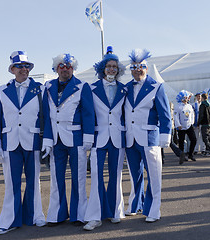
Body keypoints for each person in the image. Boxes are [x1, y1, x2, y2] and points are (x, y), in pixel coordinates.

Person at [0, 51, 53, 235]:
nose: (24, 69)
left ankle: (35, 215)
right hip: (10, 143)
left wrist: (47, 141)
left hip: (32, 141)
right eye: (19, 66)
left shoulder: (40, 89)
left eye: (27, 66)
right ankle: (9, 219)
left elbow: (47, 117)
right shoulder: (3, 90)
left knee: (34, 181)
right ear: (12, 69)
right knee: (11, 183)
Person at [45, 53, 95, 226]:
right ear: (56, 68)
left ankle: (79, 214)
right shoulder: (48, 86)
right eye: (62, 66)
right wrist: (46, 138)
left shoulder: (82, 86)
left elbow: (89, 114)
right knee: (55, 178)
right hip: (55, 139)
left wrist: (88, 137)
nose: (65, 69)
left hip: (76, 139)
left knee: (79, 177)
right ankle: (56, 214)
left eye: (68, 66)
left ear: (73, 68)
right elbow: (46, 115)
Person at [124, 49, 171, 223]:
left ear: (146, 68)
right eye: (134, 67)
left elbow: (165, 114)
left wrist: (165, 135)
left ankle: (153, 209)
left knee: (153, 175)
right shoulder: (126, 88)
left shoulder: (156, 86)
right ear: (131, 69)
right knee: (134, 174)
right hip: (130, 138)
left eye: (141, 67)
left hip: (149, 137)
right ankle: (135, 204)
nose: (138, 70)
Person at [83, 47, 126, 231]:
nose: (111, 69)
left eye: (114, 66)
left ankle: (115, 211)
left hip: (118, 137)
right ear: (102, 68)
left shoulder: (125, 89)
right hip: (98, 138)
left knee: (116, 176)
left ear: (118, 69)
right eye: (108, 66)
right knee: (96, 176)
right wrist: (87, 137)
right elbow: (87, 114)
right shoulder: (91, 88)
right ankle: (95, 216)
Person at [174, 90, 197, 163]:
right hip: (181, 127)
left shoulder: (189, 106)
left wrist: (192, 123)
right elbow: (176, 116)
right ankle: (182, 156)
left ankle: (190, 154)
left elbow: (192, 114)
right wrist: (178, 125)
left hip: (189, 126)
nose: (186, 99)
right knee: (181, 142)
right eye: (184, 97)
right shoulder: (178, 106)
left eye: (187, 97)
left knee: (194, 139)